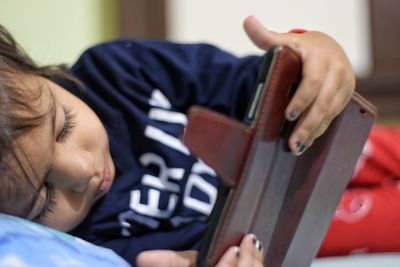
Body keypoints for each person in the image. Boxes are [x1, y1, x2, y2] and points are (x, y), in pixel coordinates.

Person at [0, 15, 355, 267]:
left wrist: (314, 55)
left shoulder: (115, 73)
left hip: (305, 142)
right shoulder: (92, 247)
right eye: (43, 199)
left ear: (42, 73)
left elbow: (252, 85)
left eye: (63, 126)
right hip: (291, 228)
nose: (82, 171)